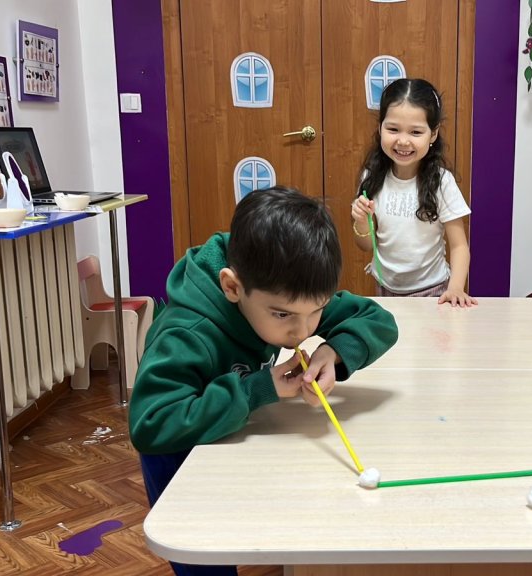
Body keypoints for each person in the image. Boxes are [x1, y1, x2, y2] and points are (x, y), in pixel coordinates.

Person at [129, 185, 399, 576]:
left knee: (241, 530)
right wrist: (258, 388)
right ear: (232, 287)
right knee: (206, 559)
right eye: (283, 316)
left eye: (318, 311)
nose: (302, 331)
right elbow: (151, 424)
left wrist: (333, 353)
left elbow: (379, 321)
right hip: (179, 460)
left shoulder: (285, 292)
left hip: (229, 441)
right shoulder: (186, 333)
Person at [350, 78, 477, 307]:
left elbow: (459, 246)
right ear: (380, 128)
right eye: (393, 129)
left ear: (433, 134)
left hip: (434, 292)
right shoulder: (371, 177)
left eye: (416, 132)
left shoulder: (442, 182)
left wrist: (456, 288)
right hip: (384, 289)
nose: (403, 141)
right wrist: (361, 221)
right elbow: (366, 245)